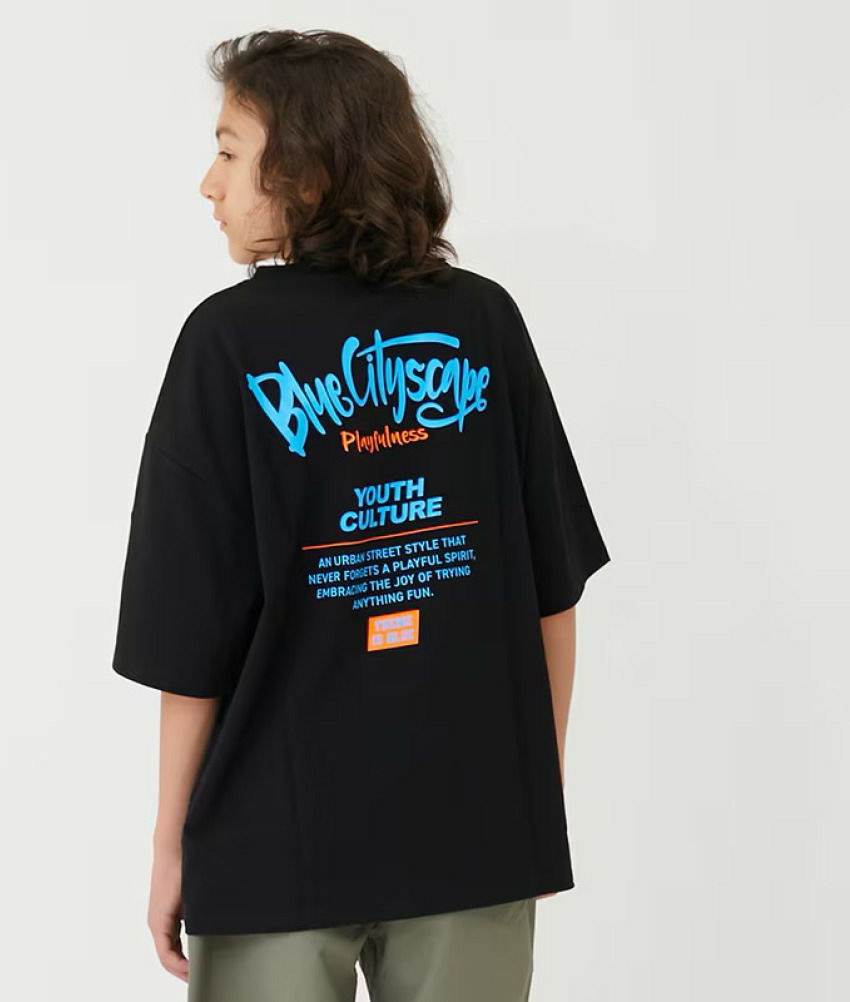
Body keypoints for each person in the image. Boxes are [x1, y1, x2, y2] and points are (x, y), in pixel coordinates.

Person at [111, 29, 611, 1002]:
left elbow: (188, 641)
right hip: (473, 830)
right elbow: (552, 595)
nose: (209, 186)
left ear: (306, 170)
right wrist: (530, 799)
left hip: (274, 836)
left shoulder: (227, 344)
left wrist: (171, 845)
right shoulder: (482, 321)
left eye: (228, 152)